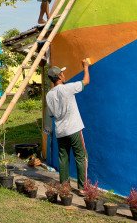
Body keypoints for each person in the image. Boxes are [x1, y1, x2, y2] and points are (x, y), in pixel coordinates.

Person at [44, 58, 90, 195]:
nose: (64, 75)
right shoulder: (68, 88)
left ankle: (65, 187)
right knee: (81, 156)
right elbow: (86, 82)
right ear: (59, 76)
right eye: (62, 73)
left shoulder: (49, 95)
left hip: (60, 131)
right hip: (74, 129)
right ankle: (82, 188)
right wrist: (86, 67)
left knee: (63, 159)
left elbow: (51, 115)